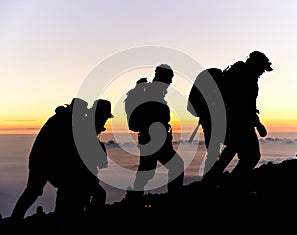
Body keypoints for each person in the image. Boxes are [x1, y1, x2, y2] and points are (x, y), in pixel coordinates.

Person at [11, 98, 113, 220]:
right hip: (46, 161)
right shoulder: (72, 123)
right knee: (38, 191)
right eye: (104, 117)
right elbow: (75, 155)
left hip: (45, 160)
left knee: (33, 192)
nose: (105, 121)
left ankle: (16, 219)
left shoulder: (69, 120)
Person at [205, 51, 272, 189]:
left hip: (224, 123)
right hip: (238, 123)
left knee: (234, 148)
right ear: (256, 65)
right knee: (252, 156)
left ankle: (213, 180)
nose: (262, 73)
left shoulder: (235, 72)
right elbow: (245, 106)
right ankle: (232, 188)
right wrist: (258, 124)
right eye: (262, 69)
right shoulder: (248, 79)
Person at [125, 64, 184, 199]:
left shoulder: (154, 92)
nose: (170, 82)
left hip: (153, 139)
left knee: (147, 172)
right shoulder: (153, 93)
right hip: (152, 140)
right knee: (169, 167)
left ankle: (134, 196)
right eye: (169, 78)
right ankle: (173, 199)